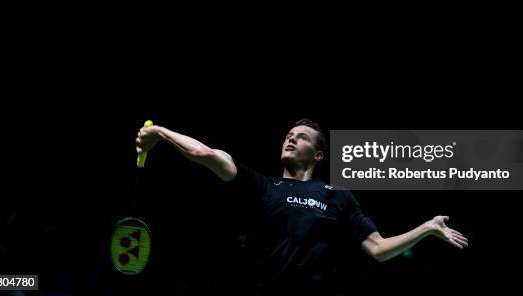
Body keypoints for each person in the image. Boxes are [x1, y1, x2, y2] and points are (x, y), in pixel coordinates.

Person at [135, 119, 468, 295]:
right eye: (288, 135)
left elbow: (379, 249)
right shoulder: (264, 185)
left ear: (318, 154)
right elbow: (208, 155)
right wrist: (162, 133)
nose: (290, 139)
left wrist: (426, 228)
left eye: (301, 137)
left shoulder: (337, 195)